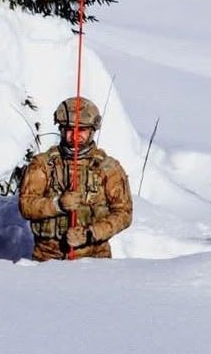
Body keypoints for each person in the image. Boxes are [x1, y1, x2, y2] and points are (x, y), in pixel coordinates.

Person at [19, 96, 133, 261]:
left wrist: (91, 233)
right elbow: (26, 205)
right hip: (47, 258)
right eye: (69, 129)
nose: (75, 136)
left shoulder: (109, 168)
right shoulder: (42, 164)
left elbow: (124, 213)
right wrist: (57, 204)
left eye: (82, 130)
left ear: (92, 130)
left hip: (95, 258)